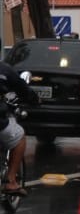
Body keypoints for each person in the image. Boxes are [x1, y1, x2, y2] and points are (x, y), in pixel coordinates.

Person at [0, 62, 38, 197]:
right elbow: (24, 90)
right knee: (19, 135)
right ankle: (10, 181)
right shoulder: (4, 70)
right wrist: (34, 98)